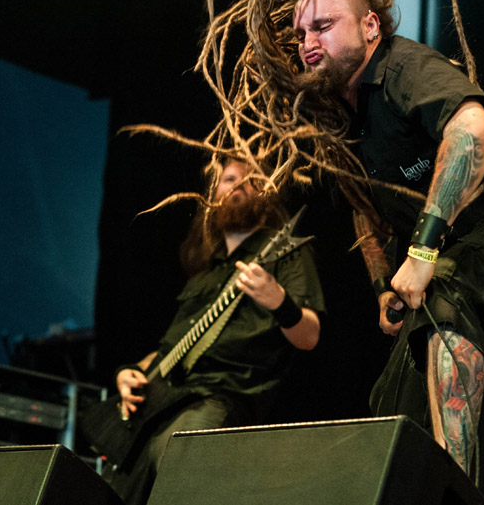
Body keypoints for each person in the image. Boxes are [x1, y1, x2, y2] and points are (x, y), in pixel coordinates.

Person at [187, 0, 484, 479]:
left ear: (369, 26)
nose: (307, 41)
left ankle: (454, 491)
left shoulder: (402, 68)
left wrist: (420, 255)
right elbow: (365, 206)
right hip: (453, 251)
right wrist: (382, 286)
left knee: (448, 293)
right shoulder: (338, 119)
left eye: (323, 25)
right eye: (301, 31)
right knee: (391, 402)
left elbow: (475, 131)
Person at [103, 159, 324, 505]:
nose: (238, 186)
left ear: (265, 193)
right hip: (161, 401)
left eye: (250, 180)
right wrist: (128, 374)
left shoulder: (285, 251)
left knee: (178, 464)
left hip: (218, 397)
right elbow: (169, 349)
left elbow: (309, 336)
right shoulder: (204, 268)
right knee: (114, 491)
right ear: (212, 194)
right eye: (229, 179)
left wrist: (278, 301)